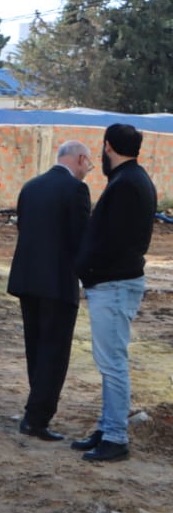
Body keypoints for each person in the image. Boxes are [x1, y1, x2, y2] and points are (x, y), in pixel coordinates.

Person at [71, 124, 157, 463]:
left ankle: (116, 436)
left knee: (113, 364)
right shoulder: (134, 179)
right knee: (109, 362)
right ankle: (108, 426)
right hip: (116, 282)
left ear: (107, 146)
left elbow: (111, 241)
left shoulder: (126, 184)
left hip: (114, 284)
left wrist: (87, 269)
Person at [6, 140, 93, 441]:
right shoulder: (75, 190)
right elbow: (80, 239)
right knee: (54, 354)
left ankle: (35, 408)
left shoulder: (31, 186)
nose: (88, 171)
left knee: (37, 348)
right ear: (81, 159)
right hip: (57, 282)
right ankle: (37, 418)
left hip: (28, 280)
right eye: (88, 165)